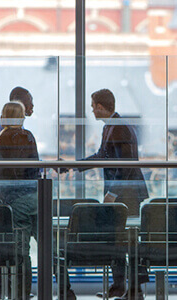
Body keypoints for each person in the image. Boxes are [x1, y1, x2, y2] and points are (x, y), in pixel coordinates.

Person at [60, 89, 149, 300]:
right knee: (118, 240)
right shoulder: (111, 126)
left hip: (127, 194)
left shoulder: (119, 128)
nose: (91, 110)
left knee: (128, 241)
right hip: (122, 192)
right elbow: (102, 156)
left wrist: (112, 193)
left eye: (93, 106)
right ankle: (120, 289)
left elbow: (127, 165)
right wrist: (73, 166)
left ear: (100, 106)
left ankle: (134, 291)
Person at [0, 101, 41, 300]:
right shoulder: (29, 136)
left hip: (16, 199)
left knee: (20, 251)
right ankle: (57, 290)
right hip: (35, 197)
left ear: (5, 116)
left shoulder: (2, 138)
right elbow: (34, 168)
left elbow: (0, 171)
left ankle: (20, 294)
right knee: (45, 247)